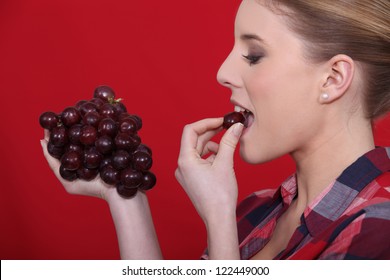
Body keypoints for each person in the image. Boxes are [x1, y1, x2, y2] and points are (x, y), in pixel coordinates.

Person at [41, 0, 390, 259]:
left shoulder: (379, 229)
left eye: (253, 55)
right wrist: (123, 196)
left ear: (333, 78)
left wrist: (219, 221)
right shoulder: (256, 212)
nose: (222, 72)